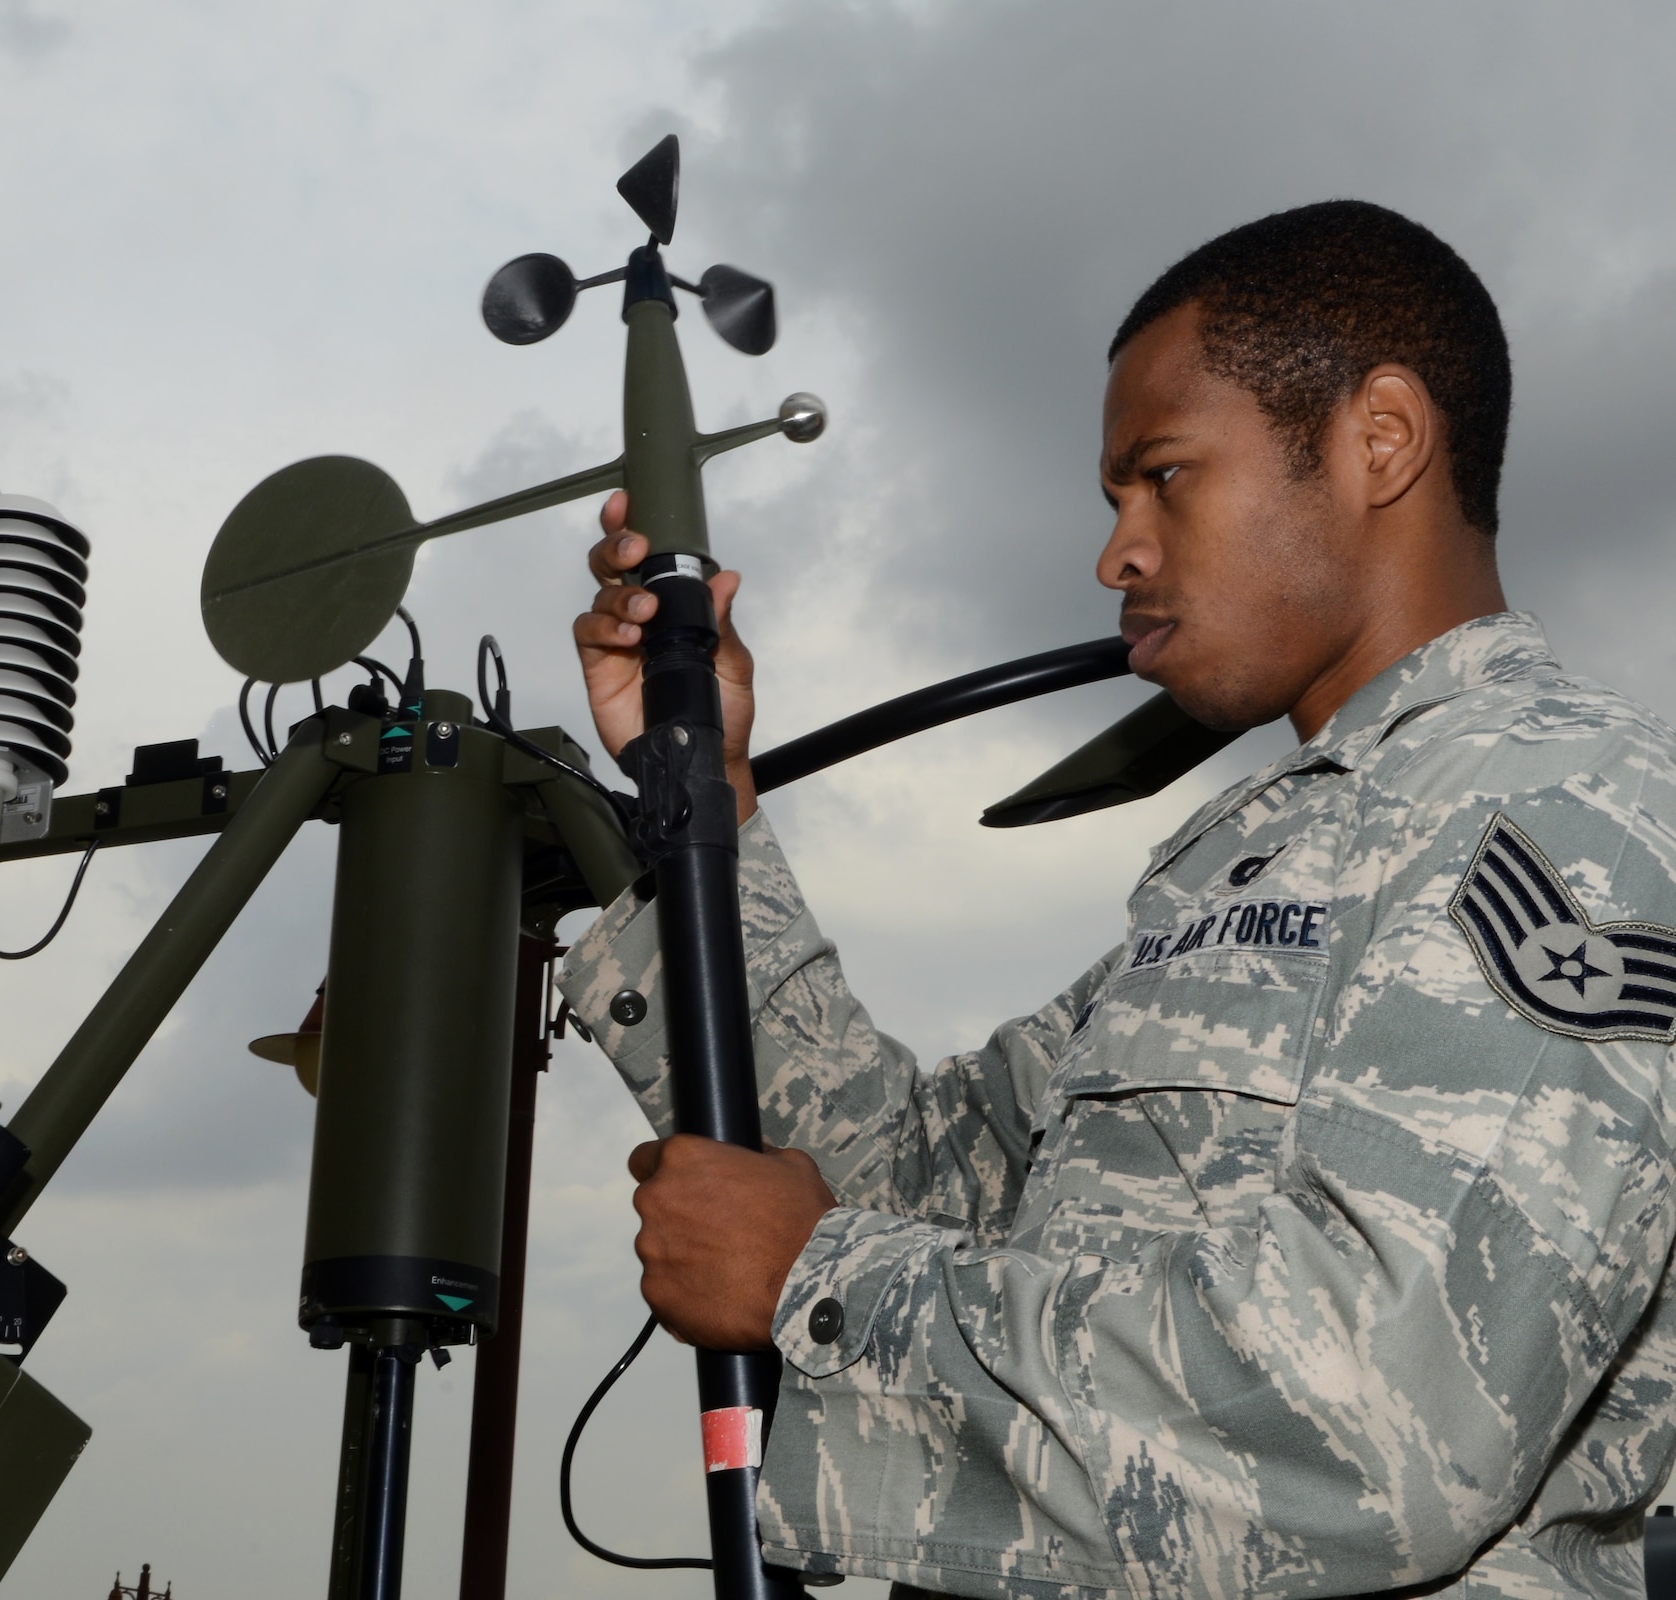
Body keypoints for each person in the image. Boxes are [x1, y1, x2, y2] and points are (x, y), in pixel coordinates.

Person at [559, 200, 1676, 1600]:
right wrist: (707, 805)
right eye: (1113, 500)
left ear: (1379, 442)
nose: (1117, 556)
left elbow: (1384, 1420)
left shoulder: (1559, 807)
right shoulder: (1260, 857)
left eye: (1162, 478)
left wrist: (819, 1281)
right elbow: (901, 1174)